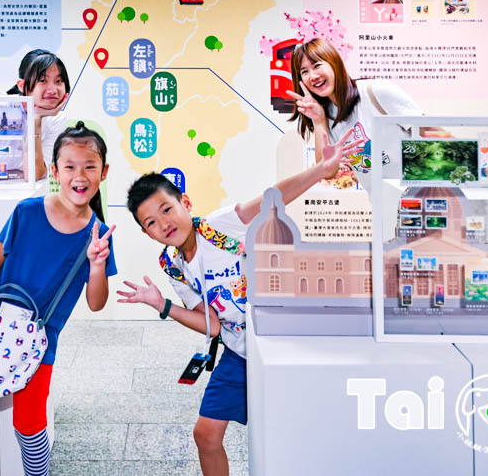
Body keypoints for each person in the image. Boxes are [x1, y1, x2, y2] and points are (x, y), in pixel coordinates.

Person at [116, 133, 361, 476]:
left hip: (278, 339)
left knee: (293, 427)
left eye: (166, 209)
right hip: (238, 351)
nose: (163, 224)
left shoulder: (219, 225)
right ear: (146, 233)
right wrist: (163, 305)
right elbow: (212, 325)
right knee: (206, 434)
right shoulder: (173, 265)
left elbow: (272, 200)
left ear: (185, 202)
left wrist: (320, 170)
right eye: (151, 223)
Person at [0, 122, 116, 476]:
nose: (79, 175)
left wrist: (97, 264)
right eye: (69, 166)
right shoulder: (27, 211)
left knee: (29, 422)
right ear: (55, 171)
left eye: (89, 166)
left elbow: (96, 303)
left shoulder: (97, 234)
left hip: (39, 342)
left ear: (104, 172)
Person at [286, 37, 425, 192]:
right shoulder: (326, 115)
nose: (312, 76)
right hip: (384, 207)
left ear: (334, 63)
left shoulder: (376, 91)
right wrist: (319, 121)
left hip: (423, 196)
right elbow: (326, 172)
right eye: (304, 72)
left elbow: (431, 132)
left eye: (317, 65)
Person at [0, 49, 69, 189]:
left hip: (24, 196)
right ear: (22, 86)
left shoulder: (57, 119)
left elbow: (34, 175)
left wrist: (36, 120)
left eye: (59, 81)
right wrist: (15, 174)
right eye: (43, 80)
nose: (53, 89)